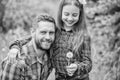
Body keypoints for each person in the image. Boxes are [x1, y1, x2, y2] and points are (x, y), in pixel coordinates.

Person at [6, 0, 92, 80]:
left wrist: (77, 67)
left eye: (74, 15)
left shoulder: (83, 36)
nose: (69, 18)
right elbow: (30, 39)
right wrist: (15, 47)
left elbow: (88, 63)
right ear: (60, 13)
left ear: (80, 15)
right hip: (60, 77)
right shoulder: (56, 30)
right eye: (66, 14)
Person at [0, 14, 56, 80]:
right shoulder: (15, 62)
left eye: (51, 33)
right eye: (43, 32)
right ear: (32, 32)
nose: (48, 37)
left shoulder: (49, 55)